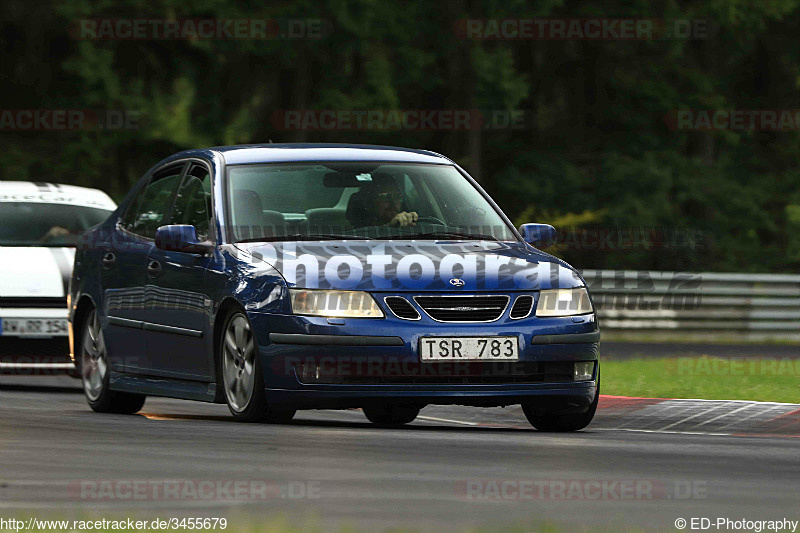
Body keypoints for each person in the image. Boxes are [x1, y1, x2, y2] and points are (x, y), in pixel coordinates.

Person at [346, 176, 418, 227]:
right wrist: (390, 227)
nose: (392, 204)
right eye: (384, 198)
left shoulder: (411, 231)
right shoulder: (355, 235)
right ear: (369, 204)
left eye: (396, 197)